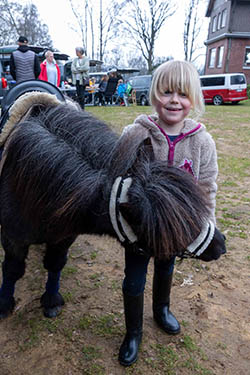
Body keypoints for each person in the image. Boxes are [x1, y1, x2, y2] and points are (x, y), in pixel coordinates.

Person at [118, 60, 219, 366]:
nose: (175, 100)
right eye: (167, 91)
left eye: (183, 94)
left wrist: (205, 224)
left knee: (165, 269)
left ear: (194, 99)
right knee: (133, 280)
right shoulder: (134, 134)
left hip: (175, 230)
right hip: (138, 229)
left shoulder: (203, 141)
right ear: (155, 94)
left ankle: (161, 309)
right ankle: (133, 331)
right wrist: (125, 223)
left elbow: (206, 187)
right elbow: (117, 181)